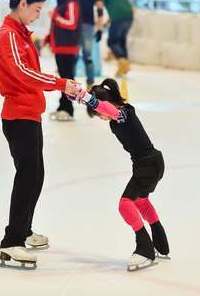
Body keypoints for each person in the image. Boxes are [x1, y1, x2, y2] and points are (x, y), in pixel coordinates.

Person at [0, 0, 80, 268]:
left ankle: (24, 230)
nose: (39, 15)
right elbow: (22, 73)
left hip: (30, 113)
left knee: (35, 175)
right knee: (27, 176)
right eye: (37, 9)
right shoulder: (8, 35)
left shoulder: (20, 33)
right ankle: (11, 241)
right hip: (18, 116)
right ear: (22, 4)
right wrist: (60, 84)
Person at [79, 78, 170, 272]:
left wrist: (87, 98)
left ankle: (145, 250)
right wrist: (76, 96)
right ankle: (161, 244)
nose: (100, 117)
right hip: (149, 163)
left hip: (148, 165)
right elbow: (108, 111)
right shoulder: (122, 114)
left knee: (125, 204)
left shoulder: (123, 114)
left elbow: (111, 112)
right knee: (141, 201)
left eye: (98, 114)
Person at [44, 0, 81, 122]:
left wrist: (55, 16)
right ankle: (63, 106)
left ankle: (68, 108)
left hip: (67, 47)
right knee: (64, 78)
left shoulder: (71, 1)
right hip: (60, 46)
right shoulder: (63, 2)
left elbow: (72, 23)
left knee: (67, 78)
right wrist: (49, 37)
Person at [70, 0, 104, 89]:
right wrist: (100, 28)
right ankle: (90, 85)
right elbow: (100, 9)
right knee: (88, 57)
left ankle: (71, 84)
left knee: (73, 55)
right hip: (89, 26)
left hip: (74, 26)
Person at [101, 0, 134, 77]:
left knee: (112, 42)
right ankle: (124, 66)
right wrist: (108, 21)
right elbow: (117, 6)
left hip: (119, 18)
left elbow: (98, 1)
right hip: (128, 17)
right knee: (121, 41)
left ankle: (123, 63)